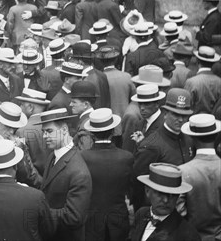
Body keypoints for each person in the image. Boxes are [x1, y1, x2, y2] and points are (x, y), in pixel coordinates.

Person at [133, 88, 195, 209]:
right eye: (176, 114)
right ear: (165, 114)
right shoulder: (151, 145)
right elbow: (139, 186)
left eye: (184, 116)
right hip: (161, 210)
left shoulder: (189, 140)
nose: (181, 120)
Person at [36, 108, 92, 241]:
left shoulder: (78, 172)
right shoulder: (52, 156)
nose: (44, 136)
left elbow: (74, 217)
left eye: (49, 131)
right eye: (43, 132)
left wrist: (40, 211)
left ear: (64, 130)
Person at [81, 109, 134, 241]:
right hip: (119, 220)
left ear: (92, 133)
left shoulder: (83, 157)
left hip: (91, 222)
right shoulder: (126, 157)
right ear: (112, 132)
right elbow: (132, 190)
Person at [0, 102, 41, 188]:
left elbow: (27, 174)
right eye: (8, 127)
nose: (11, 132)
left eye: (14, 128)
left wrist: (20, 151)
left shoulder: (19, 143)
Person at [178, 113, 221, 241]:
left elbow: (180, 211)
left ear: (192, 138)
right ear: (216, 135)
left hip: (194, 236)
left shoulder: (183, 171)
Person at [132, 163, 200, 241]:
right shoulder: (141, 214)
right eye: (160, 193)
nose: (165, 200)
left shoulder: (188, 234)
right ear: (147, 191)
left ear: (178, 196)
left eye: (172, 195)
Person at [184, 46, 221, 114]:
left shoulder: (191, 82)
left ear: (197, 61)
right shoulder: (219, 82)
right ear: (213, 63)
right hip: (212, 121)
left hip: (193, 120)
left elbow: (186, 105)